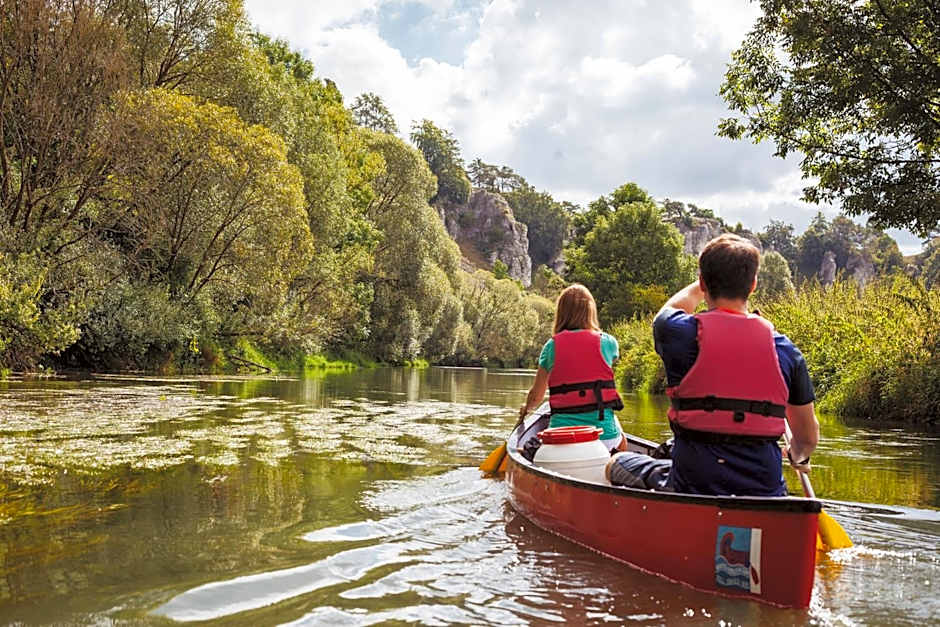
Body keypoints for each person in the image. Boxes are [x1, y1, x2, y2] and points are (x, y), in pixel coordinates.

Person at [606, 234, 819, 495]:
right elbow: (808, 439)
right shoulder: (787, 351)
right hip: (764, 489)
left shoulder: (678, 334)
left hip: (692, 483)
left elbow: (669, 310)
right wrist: (797, 455)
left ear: (704, 284)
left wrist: (703, 283)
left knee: (615, 463)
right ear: (753, 285)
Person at [519, 284, 627, 452]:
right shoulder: (609, 343)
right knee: (622, 439)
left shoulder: (551, 347)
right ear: (591, 311)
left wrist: (526, 410)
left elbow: (536, 397)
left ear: (561, 313)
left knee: (527, 449)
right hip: (605, 441)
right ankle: (616, 471)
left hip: (560, 440)